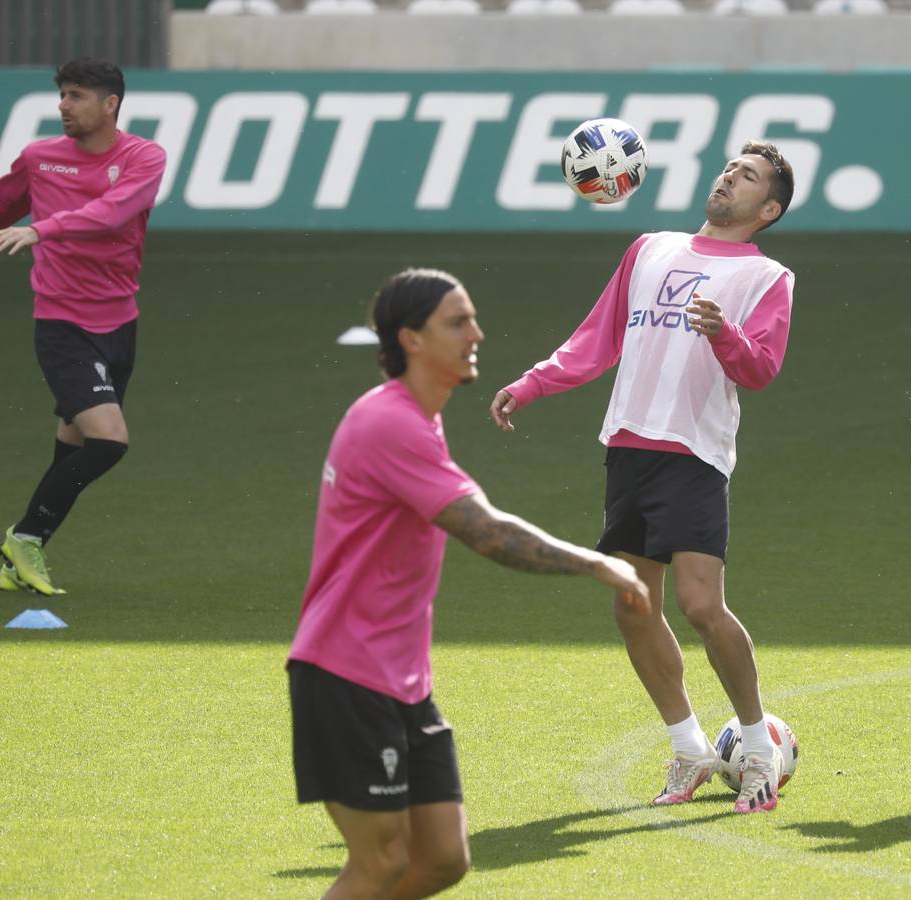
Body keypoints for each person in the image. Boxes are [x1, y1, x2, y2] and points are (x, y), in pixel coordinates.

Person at [288, 268, 648, 899]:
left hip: (401, 679)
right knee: (379, 864)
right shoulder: (389, 424)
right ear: (412, 339)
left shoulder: (419, 419)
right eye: (458, 322)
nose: (477, 333)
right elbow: (486, 532)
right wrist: (596, 563)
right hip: (347, 673)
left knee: (442, 860)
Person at [489, 141, 796, 814]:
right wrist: (533, 383)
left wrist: (724, 334)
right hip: (628, 444)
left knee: (700, 606)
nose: (727, 180)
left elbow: (761, 369)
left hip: (692, 452)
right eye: (728, 169)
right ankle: (688, 748)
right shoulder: (650, 248)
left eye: (746, 178)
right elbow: (597, 338)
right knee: (632, 605)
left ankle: (757, 750)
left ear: (768, 208)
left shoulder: (766, 277)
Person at [0, 58, 166, 597]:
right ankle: (23, 539)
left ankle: (22, 551)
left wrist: (41, 230)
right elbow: (4, 199)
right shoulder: (41, 158)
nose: (64, 105)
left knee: (72, 443)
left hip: (120, 323)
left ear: (110, 103)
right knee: (109, 442)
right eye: (62, 95)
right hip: (62, 322)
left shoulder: (143, 157)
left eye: (77, 96)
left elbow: (112, 213)